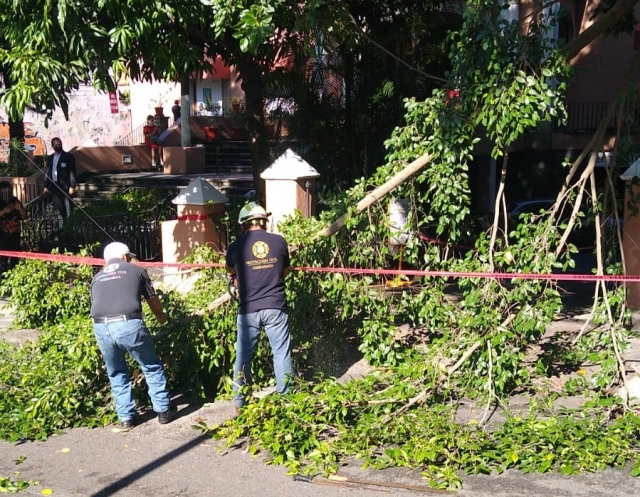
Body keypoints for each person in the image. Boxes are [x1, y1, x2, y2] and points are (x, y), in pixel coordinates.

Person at [90, 241, 176, 431]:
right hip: (128, 324)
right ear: (124, 256)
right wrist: (163, 319)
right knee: (151, 365)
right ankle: (163, 410)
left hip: (100, 327)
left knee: (116, 372)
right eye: (128, 256)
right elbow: (152, 300)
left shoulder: (96, 277)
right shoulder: (137, 271)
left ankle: (126, 418)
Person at [225, 202, 294, 413]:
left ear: (244, 224)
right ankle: (287, 401)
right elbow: (285, 270)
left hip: (248, 310)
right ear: (264, 221)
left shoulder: (235, 247)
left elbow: (229, 270)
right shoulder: (279, 241)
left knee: (244, 356)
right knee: (281, 353)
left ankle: (240, 402)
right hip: (275, 306)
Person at [44, 137, 76, 220]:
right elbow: (48, 172)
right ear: (53, 146)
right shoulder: (50, 158)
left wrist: (72, 186)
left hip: (65, 187)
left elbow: (72, 172)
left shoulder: (68, 157)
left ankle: (69, 225)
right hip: (54, 186)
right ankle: (62, 226)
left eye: (60, 144)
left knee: (68, 207)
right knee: (59, 207)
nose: (58, 146)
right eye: (56, 145)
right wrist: (46, 185)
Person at [0, 181, 27, 274]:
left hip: (15, 234)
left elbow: (24, 216)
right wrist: (4, 211)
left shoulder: (15, 200)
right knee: (3, 258)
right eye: (3, 191)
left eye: (8, 191)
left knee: (15, 257)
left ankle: (15, 275)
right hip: (2, 235)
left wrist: (20, 209)